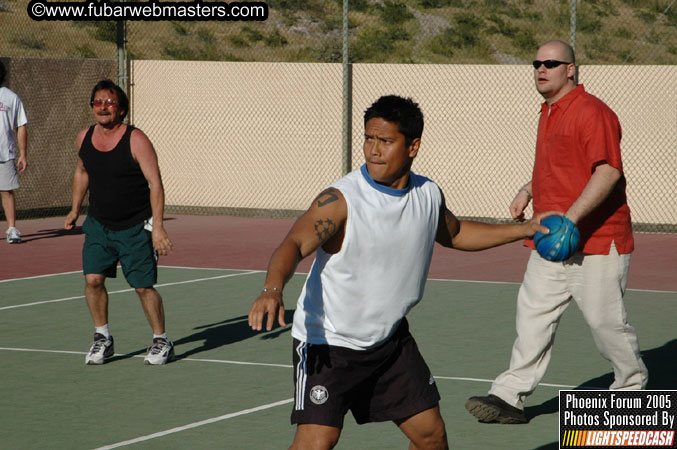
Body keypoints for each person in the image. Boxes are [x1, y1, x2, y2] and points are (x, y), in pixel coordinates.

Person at [248, 95, 555, 449]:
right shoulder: (341, 199)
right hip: (329, 343)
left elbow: (454, 233)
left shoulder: (427, 194)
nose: (373, 150)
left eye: (385, 141)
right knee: (317, 442)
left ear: (413, 146)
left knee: (430, 435)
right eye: (368, 138)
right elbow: (294, 244)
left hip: (388, 343)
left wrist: (524, 229)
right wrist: (272, 289)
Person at [465, 40, 648, 425]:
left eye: (551, 63)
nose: (541, 69)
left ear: (571, 69)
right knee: (532, 317)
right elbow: (556, 166)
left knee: (605, 323)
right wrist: (527, 190)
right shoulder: (548, 112)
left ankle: (631, 391)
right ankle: (508, 397)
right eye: (536, 63)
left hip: (597, 242)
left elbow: (607, 171)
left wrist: (570, 219)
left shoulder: (592, 112)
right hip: (550, 241)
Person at [64, 79, 175, 365]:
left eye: (110, 102)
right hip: (99, 224)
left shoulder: (136, 140)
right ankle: (102, 338)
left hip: (135, 227)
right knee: (93, 279)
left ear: (122, 110)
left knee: (142, 287)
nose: (103, 107)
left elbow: (155, 184)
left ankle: (161, 341)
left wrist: (158, 228)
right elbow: (82, 172)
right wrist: (75, 209)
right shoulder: (84, 138)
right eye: (98, 102)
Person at [0, 60, 27, 244]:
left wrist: (23, 153)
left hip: (5, 154)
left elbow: (21, 125)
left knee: (7, 191)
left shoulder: (10, 97)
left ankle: (11, 229)